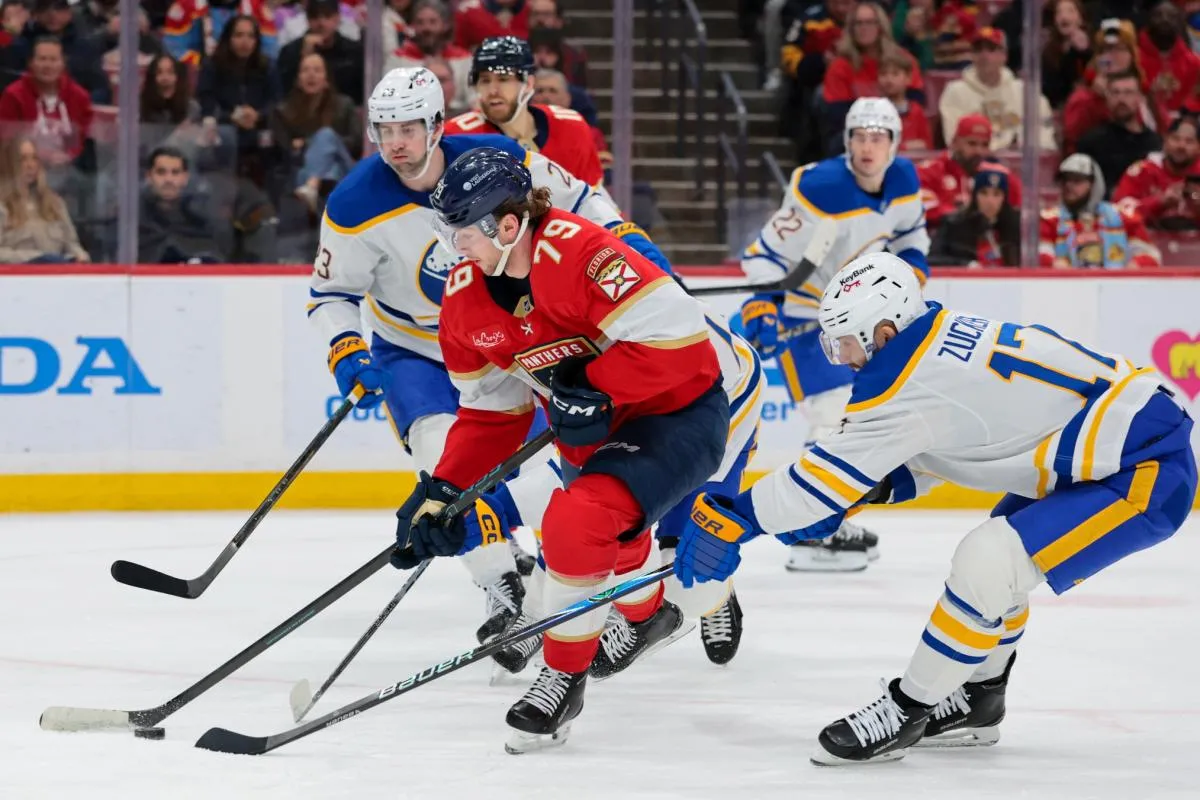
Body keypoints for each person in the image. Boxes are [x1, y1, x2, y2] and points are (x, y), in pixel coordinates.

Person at [675, 251, 1196, 765]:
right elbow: (947, 443)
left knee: (990, 560)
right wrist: (865, 490)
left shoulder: (900, 378)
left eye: (847, 344)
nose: (846, 360)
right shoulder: (936, 339)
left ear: (883, 331)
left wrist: (736, 517)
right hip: (1111, 450)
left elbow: (815, 484)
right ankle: (979, 699)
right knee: (1001, 564)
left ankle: (908, 709)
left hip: (1144, 470)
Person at [392, 145, 749, 754]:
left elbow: (686, 348)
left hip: (680, 409)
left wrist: (596, 387)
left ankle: (562, 676)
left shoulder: (584, 253)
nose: (454, 246)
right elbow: (490, 413)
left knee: (573, 522)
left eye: (461, 232)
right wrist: (444, 490)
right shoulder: (462, 300)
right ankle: (646, 616)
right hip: (595, 428)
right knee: (607, 532)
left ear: (508, 225)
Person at [308, 66, 675, 644]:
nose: (395, 143)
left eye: (407, 128)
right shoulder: (355, 202)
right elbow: (330, 293)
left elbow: (579, 195)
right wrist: (346, 346)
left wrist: (625, 236)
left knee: (547, 476)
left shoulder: (495, 159)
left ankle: (607, 588)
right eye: (384, 130)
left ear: (436, 125)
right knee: (441, 460)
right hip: (415, 350)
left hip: (505, 338)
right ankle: (503, 587)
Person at [737, 97, 929, 572]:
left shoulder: (904, 180)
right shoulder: (819, 187)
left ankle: (825, 518)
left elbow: (911, 237)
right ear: (847, 142)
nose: (869, 147)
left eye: (879, 137)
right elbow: (764, 255)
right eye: (860, 137)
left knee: (853, 421)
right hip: (812, 315)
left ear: (894, 143)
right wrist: (763, 303)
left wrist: (911, 272)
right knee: (830, 419)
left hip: (867, 316)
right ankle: (811, 530)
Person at [443, 37, 617, 221]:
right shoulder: (458, 136)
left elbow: (594, 204)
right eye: (485, 81)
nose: (493, 90)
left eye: (504, 79)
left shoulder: (571, 127)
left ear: (528, 84)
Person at [269, 52, 361, 213]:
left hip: (345, 165)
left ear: (326, 78)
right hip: (304, 169)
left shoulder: (344, 105)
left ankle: (311, 185)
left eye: (317, 70)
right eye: (305, 70)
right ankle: (316, 190)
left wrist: (314, 143)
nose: (311, 75)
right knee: (331, 172)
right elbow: (285, 150)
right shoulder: (284, 111)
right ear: (298, 78)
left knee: (326, 135)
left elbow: (356, 143)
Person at [938, 27, 1056, 151]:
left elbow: (1044, 133)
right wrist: (1005, 144)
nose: (984, 56)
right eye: (978, 50)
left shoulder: (1024, 91)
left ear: (1004, 55)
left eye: (991, 49)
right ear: (972, 56)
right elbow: (954, 139)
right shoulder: (955, 91)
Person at [1039, 152, 1161, 269]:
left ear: (1094, 184)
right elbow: (1038, 255)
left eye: (1077, 180)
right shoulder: (1050, 220)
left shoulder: (1123, 217)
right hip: (1066, 287)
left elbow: (1151, 256)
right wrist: (1053, 264)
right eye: (1064, 180)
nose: (1068, 185)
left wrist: (1136, 265)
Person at [917, 114, 1025, 228]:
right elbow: (924, 210)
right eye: (972, 143)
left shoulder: (998, 174)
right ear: (954, 142)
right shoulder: (928, 171)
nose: (979, 151)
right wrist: (966, 216)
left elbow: (1022, 210)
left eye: (985, 145)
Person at [0, 37, 92, 169]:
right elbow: (7, 139)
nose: (48, 65)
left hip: (67, 167)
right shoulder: (13, 95)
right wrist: (44, 156)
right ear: (31, 63)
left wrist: (68, 155)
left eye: (53, 59)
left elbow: (79, 139)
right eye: (42, 59)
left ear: (63, 63)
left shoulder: (79, 96)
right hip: (22, 167)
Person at [0, 135, 89, 263]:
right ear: (10, 164)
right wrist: (35, 259)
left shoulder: (55, 204)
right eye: (22, 159)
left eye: (34, 158)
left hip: (57, 278)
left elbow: (72, 245)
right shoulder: (3, 207)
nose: (30, 165)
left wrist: (80, 257)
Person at [1075, 70, 1164, 196]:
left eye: (1128, 93)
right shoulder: (1091, 141)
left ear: (1139, 97)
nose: (1121, 99)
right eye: (1115, 93)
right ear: (1107, 98)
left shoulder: (1155, 144)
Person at [138, 146, 227, 263]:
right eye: (161, 172)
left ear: (185, 178)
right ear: (149, 176)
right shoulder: (134, 220)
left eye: (175, 173)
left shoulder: (201, 223)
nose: (168, 179)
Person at [1113, 115, 1200, 230]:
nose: (1181, 146)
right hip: (1147, 243)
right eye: (1175, 139)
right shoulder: (1143, 171)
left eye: (1189, 141)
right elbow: (1116, 214)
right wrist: (1159, 202)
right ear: (1165, 142)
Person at [385, 0, 471, 114]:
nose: (426, 28)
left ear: (445, 25)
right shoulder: (398, 59)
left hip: (457, 117)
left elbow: (473, 98)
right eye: (420, 22)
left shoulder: (464, 59)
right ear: (413, 26)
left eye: (433, 22)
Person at [928, 162, 1021, 267]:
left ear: (1004, 198)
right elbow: (932, 259)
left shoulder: (1016, 225)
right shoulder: (954, 224)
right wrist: (966, 265)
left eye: (997, 194)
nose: (990, 201)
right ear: (974, 196)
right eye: (984, 193)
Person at [277, 0, 364, 104]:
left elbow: (361, 94)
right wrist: (305, 56)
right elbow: (286, 94)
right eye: (315, 17)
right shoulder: (290, 52)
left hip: (343, 115)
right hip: (301, 113)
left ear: (337, 18)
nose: (321, 23)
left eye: (327, 16)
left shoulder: (354, 51)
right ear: (307, 20)